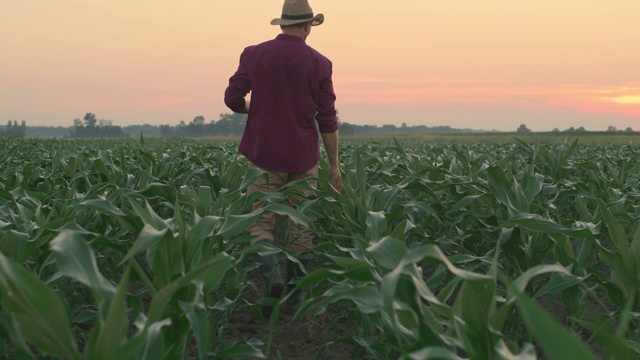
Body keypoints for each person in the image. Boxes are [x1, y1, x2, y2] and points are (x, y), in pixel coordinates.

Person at [224, 0, 342, 318]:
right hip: (303, 157)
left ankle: (273, 275)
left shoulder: (253, 53)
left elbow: (232, 99)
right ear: (307, 26)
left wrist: (256, 109)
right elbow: (327, 119)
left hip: (264, 155)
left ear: (281, 25)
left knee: (260, 223)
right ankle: (293, 301)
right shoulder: (320, 63)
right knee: (302, 229)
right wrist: (333, 164)